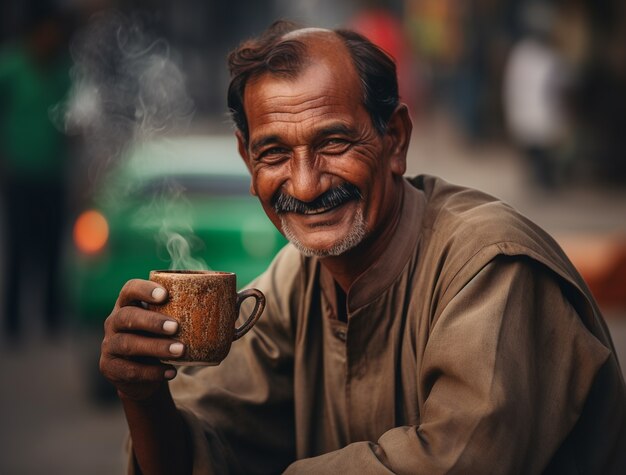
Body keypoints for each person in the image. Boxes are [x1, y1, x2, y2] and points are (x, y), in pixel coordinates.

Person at [99, 21, 626, 474]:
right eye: (274, 153)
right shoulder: (296, 279)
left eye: (333, 142)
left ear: (394, 139)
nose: (304, 186)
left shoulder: (490, 267)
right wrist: (142, 397)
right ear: (246, 159)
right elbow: (201, 447)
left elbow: (458, 461)